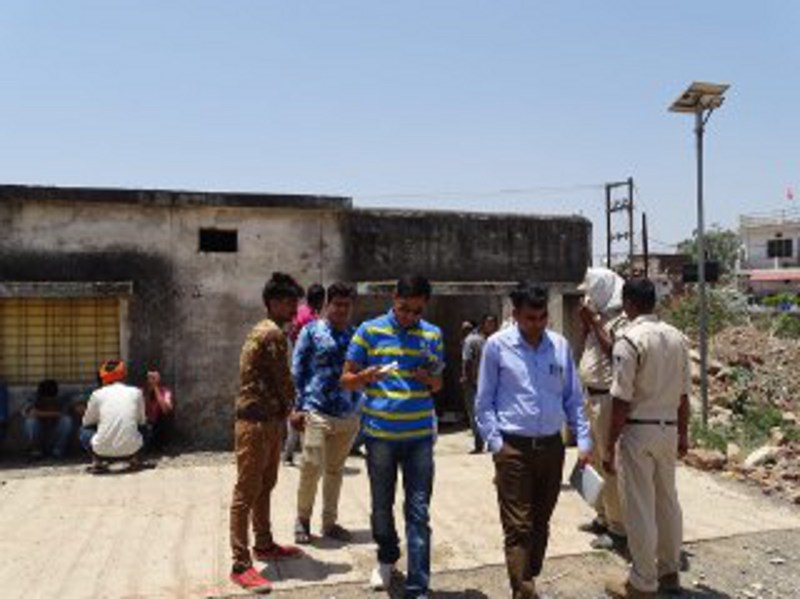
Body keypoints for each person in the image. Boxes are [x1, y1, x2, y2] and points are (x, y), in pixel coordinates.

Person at [476, 282, 591, 599]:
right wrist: (497, 444)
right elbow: (483, 402)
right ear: (516, 315)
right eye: (530, 318)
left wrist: (583, 440)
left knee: (540, 523)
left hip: (552, 449)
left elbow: (572, 398)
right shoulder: (497, 346)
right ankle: (524, 590)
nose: (537, 324)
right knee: (518, 526)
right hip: (513, 449)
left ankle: (529, 574)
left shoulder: (559, 346)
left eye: (542, 317)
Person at [341, 275, 444, 599]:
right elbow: (346, 379)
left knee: (418, 511)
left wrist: (429, 378)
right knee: (381, 507)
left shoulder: (432, 335)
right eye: (404, 309)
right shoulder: (369, 331)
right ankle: (386, 556)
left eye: (416, 311)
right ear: (394, 297)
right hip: (380, 437)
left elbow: (439, 385)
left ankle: (417, 587)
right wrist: (364, 376)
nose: (409, 317)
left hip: (419, 439)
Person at [604, 278, 691, 599]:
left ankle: (642, 581)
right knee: (668, 500)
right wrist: (683, 434)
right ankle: (669, 572)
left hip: (638, 429)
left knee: (639, 506)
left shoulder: (629, 339)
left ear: (628, 303)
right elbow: (684, 396)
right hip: (668, 426)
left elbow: (621, 400)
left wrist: (610, 444)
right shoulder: (677, 338)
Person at [229, 272, 304, 594]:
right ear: (272, 303)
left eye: (295, 302)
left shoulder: (268, 330)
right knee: (246, 493)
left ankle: (263, 543)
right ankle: (240, 564)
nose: (293, 308)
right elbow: (282, 379)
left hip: (266, 421)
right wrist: (294, 411)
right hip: (256, 423)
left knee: (264, 485)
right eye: (289, 302)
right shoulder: (272, 334)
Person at [292, 282, 361, 544]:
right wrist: (296, 407)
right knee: (310, 466)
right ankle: (302, 519)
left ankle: (329, 522)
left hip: (348, 414)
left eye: (347, 305)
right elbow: (297, 370)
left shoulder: (358, 336)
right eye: (337, 304)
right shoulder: (311, 332)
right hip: (315, 410)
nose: (342, 309)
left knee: (335, 470)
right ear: (327, 305)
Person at [577, 267, 629, 551]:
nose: (585, 297)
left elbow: (616, 355)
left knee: (610, 464)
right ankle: (601, 516)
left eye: (588, 291)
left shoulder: (620, 320)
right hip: (591, 398)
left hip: (608, 400)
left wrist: (595, 323)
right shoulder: (599, 317)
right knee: (592, 462)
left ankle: (618, 527)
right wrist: (588, 324)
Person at [283, 282, 326, 466]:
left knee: (298, 407)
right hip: (305, 370)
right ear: (320, 300)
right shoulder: (312, 319)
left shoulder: (300, 312)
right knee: (304, 409)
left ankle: (289, 453)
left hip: (295, 365)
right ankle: (297, 452)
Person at [80, 361, 147, 472]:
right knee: (146, 428)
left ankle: (97, 462)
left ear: (103, 377)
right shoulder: (136, 392)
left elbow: (86, 422)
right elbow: (142, 421)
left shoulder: (97, 394)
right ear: (123, 375)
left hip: (101, 451)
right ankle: (134, 461)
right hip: (132, 449)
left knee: (83, 430)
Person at [461, 314, 498, 454]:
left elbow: (467, 361)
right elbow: (467, 361)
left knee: (485, 414)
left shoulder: (495, 340)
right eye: (489, 324)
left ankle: (487, 443)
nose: (492, 326)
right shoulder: (475, 340)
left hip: (486, 384)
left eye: (493, 323)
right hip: (477, 383)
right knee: (478, 414)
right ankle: (480, 443)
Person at [23, 379, 74, 459]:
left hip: (54, 434)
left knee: (67, 421)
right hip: (40, 434)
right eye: (45, 399)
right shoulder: (34, 398)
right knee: (30, 422)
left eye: (51, 399)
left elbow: (66, 413)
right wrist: (55, 414)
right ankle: (36, 451)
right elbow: (30, 412)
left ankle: (57, 451)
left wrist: (42, 413)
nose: (48, 401)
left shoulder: (62, 398)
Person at [142, 369, 174, 449]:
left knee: (167, 413)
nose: (151, 381)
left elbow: (166, 410)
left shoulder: (165, 391)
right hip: (145, 422)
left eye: (154, 378)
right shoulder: (142, 392)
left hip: (158, 423)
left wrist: (156, 389)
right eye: (150, 378)